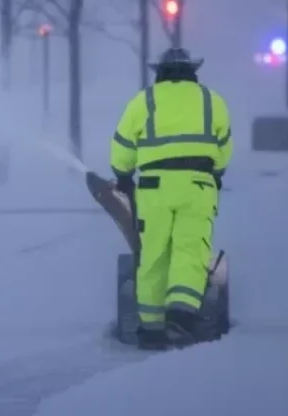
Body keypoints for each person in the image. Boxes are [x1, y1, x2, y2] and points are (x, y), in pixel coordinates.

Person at [94, 47, 233, 350]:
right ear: (192, 72)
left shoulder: (144, 101)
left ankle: (152, 329)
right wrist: (216, 173)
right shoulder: (212, 101)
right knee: (190, 249)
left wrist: (123, 174)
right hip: (198, 186)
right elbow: (223, 148)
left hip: (154, 188)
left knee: (152, 255)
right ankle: (181, 314)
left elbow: (122, 148)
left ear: (160, 72)